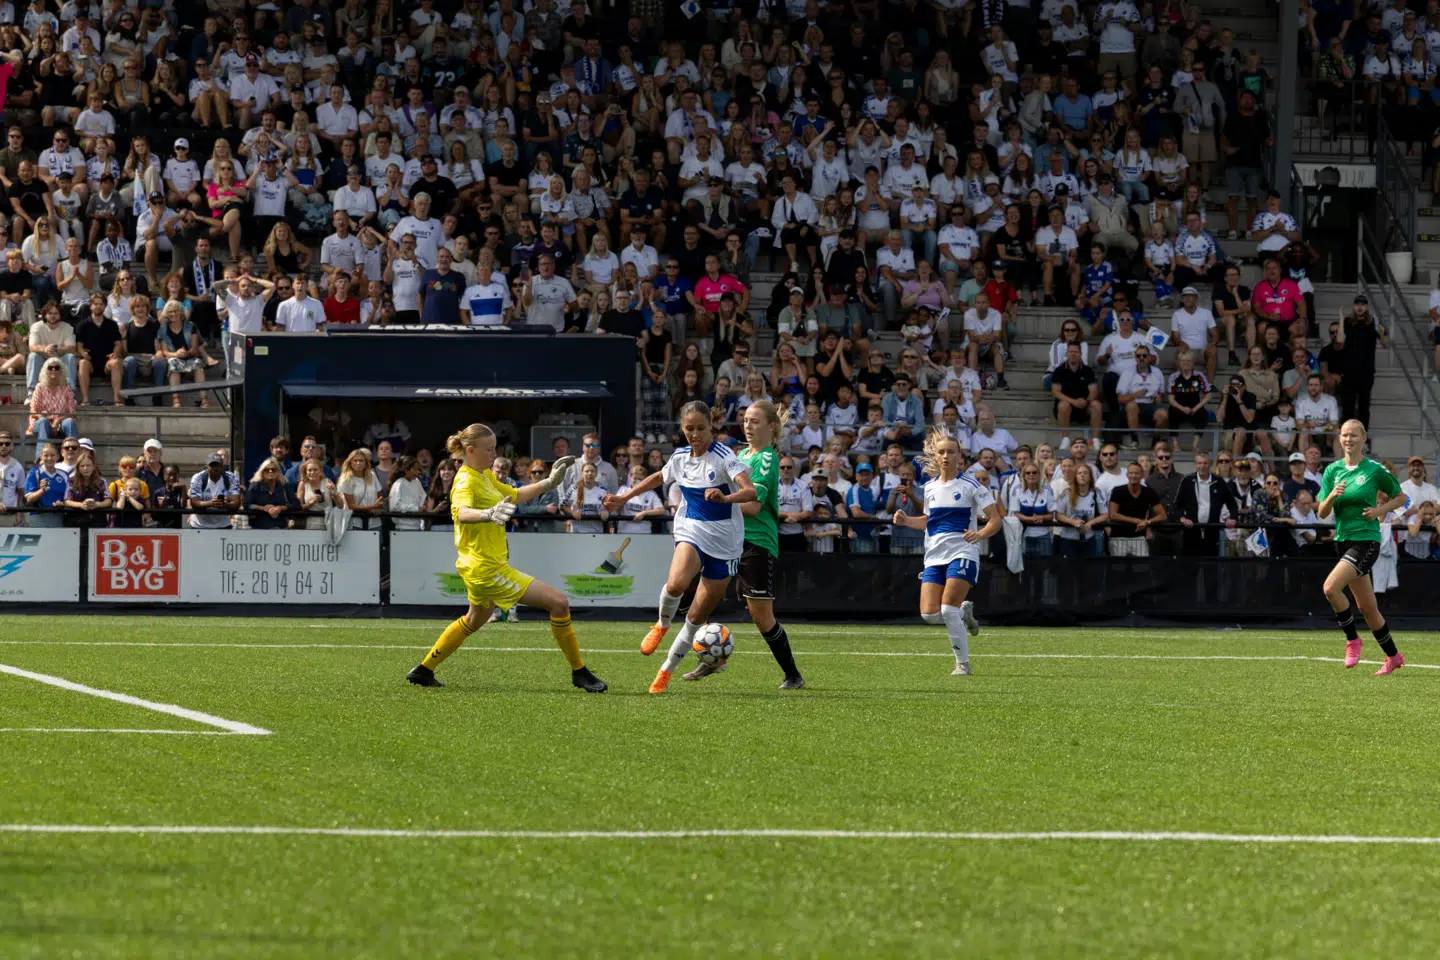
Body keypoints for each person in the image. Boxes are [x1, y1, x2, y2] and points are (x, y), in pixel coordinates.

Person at [405, 423, 607, 693]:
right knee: (559, 602)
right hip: (486, 568)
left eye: (494, 448)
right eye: (489, 450)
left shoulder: (485, 476)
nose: (494, 454)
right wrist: (487, 514)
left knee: (475, 618)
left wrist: (548, 482)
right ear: (470, 450)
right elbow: (462, 512)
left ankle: (423, 669)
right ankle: (579, 672)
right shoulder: (465, 479)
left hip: (479, 566)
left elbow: (515, 495)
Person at [602, 401, 758, 695]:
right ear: (682, 429)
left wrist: (726, 499)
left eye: (701, 428)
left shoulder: (724, 457)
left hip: (725, 544)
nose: (695, 434)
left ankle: (665, 673)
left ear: (711, 426)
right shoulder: (680, 456)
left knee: (696, 618)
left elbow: (750, 491)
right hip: (691, 528)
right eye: (689, 429)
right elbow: (659, 477)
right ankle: (660, 625)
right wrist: (624, 498)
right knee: (675, 584)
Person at [683, 400, 805, 689]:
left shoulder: (766, 459)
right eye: (746, 420)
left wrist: (720, 502)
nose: (748, 425)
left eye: (755, 421)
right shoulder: (740, 456)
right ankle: (711, 659)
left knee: (761, 616)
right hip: (727, 536)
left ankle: (793, 675)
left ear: (771, 427)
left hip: (755, 540)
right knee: (701, 596)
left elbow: (752, 507)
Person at [889, 430, 1001, 676]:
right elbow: (929, 521)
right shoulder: (929, 488)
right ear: (936, 456)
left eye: (951, 451)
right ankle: (964, 613)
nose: (946, 456)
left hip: (963, 551)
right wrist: (907, 520)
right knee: (929, 614)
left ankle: (963, 664)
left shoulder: (972, 485)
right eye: (941, 452)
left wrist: (980, 535)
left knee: (948, 609)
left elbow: (995, 519)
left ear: (960, 456)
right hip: (934, 556)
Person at [1317, 420, 1408, 675]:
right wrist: (1333, 495)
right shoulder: (1332, 470)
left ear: (1363, 438)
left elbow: (1401, 497)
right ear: (1339, 438)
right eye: (1344, 435)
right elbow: (1323, 512)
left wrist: (1379, 510)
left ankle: (1352, 640)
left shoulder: (1374, 470)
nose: (1348, 439)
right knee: (1368, 608)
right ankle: (1393, 656)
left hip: (1366, 541)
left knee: (1330, 588)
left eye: (1354, 435)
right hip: (1343, 540)